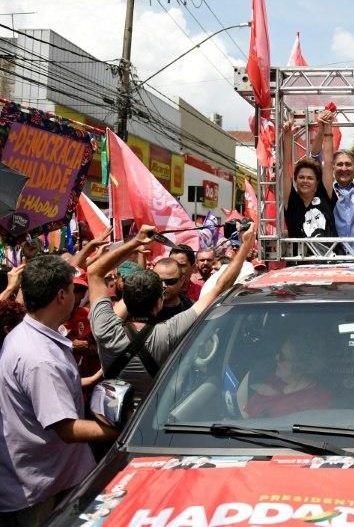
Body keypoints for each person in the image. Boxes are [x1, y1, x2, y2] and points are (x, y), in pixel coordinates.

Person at [0, 256, 117, 526]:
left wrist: (86, 381)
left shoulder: (28, 334)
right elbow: (67, 429)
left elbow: (39, 394)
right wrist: (122, 431)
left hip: (49, 477)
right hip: (42, 490)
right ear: (62, 295)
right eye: (73, 289)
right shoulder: (40, 358)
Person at [88, 223, 257, 404]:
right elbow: (219, 287)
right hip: (149, 421)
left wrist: (136, 242)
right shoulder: (167, 333)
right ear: (159, 303)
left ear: (125, 301)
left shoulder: (104, 328)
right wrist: (245, 246)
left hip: (110, 420)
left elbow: (94, 272)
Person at [240, 333, 332, 418]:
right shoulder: (275, 380)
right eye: (278, 353)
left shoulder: (318, 399)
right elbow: (249, 414)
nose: (276, 358)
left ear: (299, 365)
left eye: (282, 357)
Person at [281, 117, 337, 248]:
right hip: (299, 265)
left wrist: (327, 127)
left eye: (310, 178)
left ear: (317, 181)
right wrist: (288, 137)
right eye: (301, 177)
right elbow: (284, 166)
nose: (305, 181)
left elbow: (328, 162)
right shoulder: (291, 199)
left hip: (330, 262)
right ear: (295, 179)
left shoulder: (325, 195)